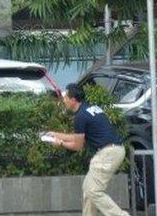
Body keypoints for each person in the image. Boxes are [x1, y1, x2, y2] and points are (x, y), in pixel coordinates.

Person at [50, 83, 130, 216]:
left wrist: (60, 144)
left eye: (65, 97)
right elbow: (78, 138)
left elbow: (77, 146)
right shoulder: (89, 109)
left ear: (73, 100)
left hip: (107, 153)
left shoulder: (80, 117)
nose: (63, 100)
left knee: (93, 190)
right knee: (88, 189)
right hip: (114, 150)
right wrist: (56, 134)